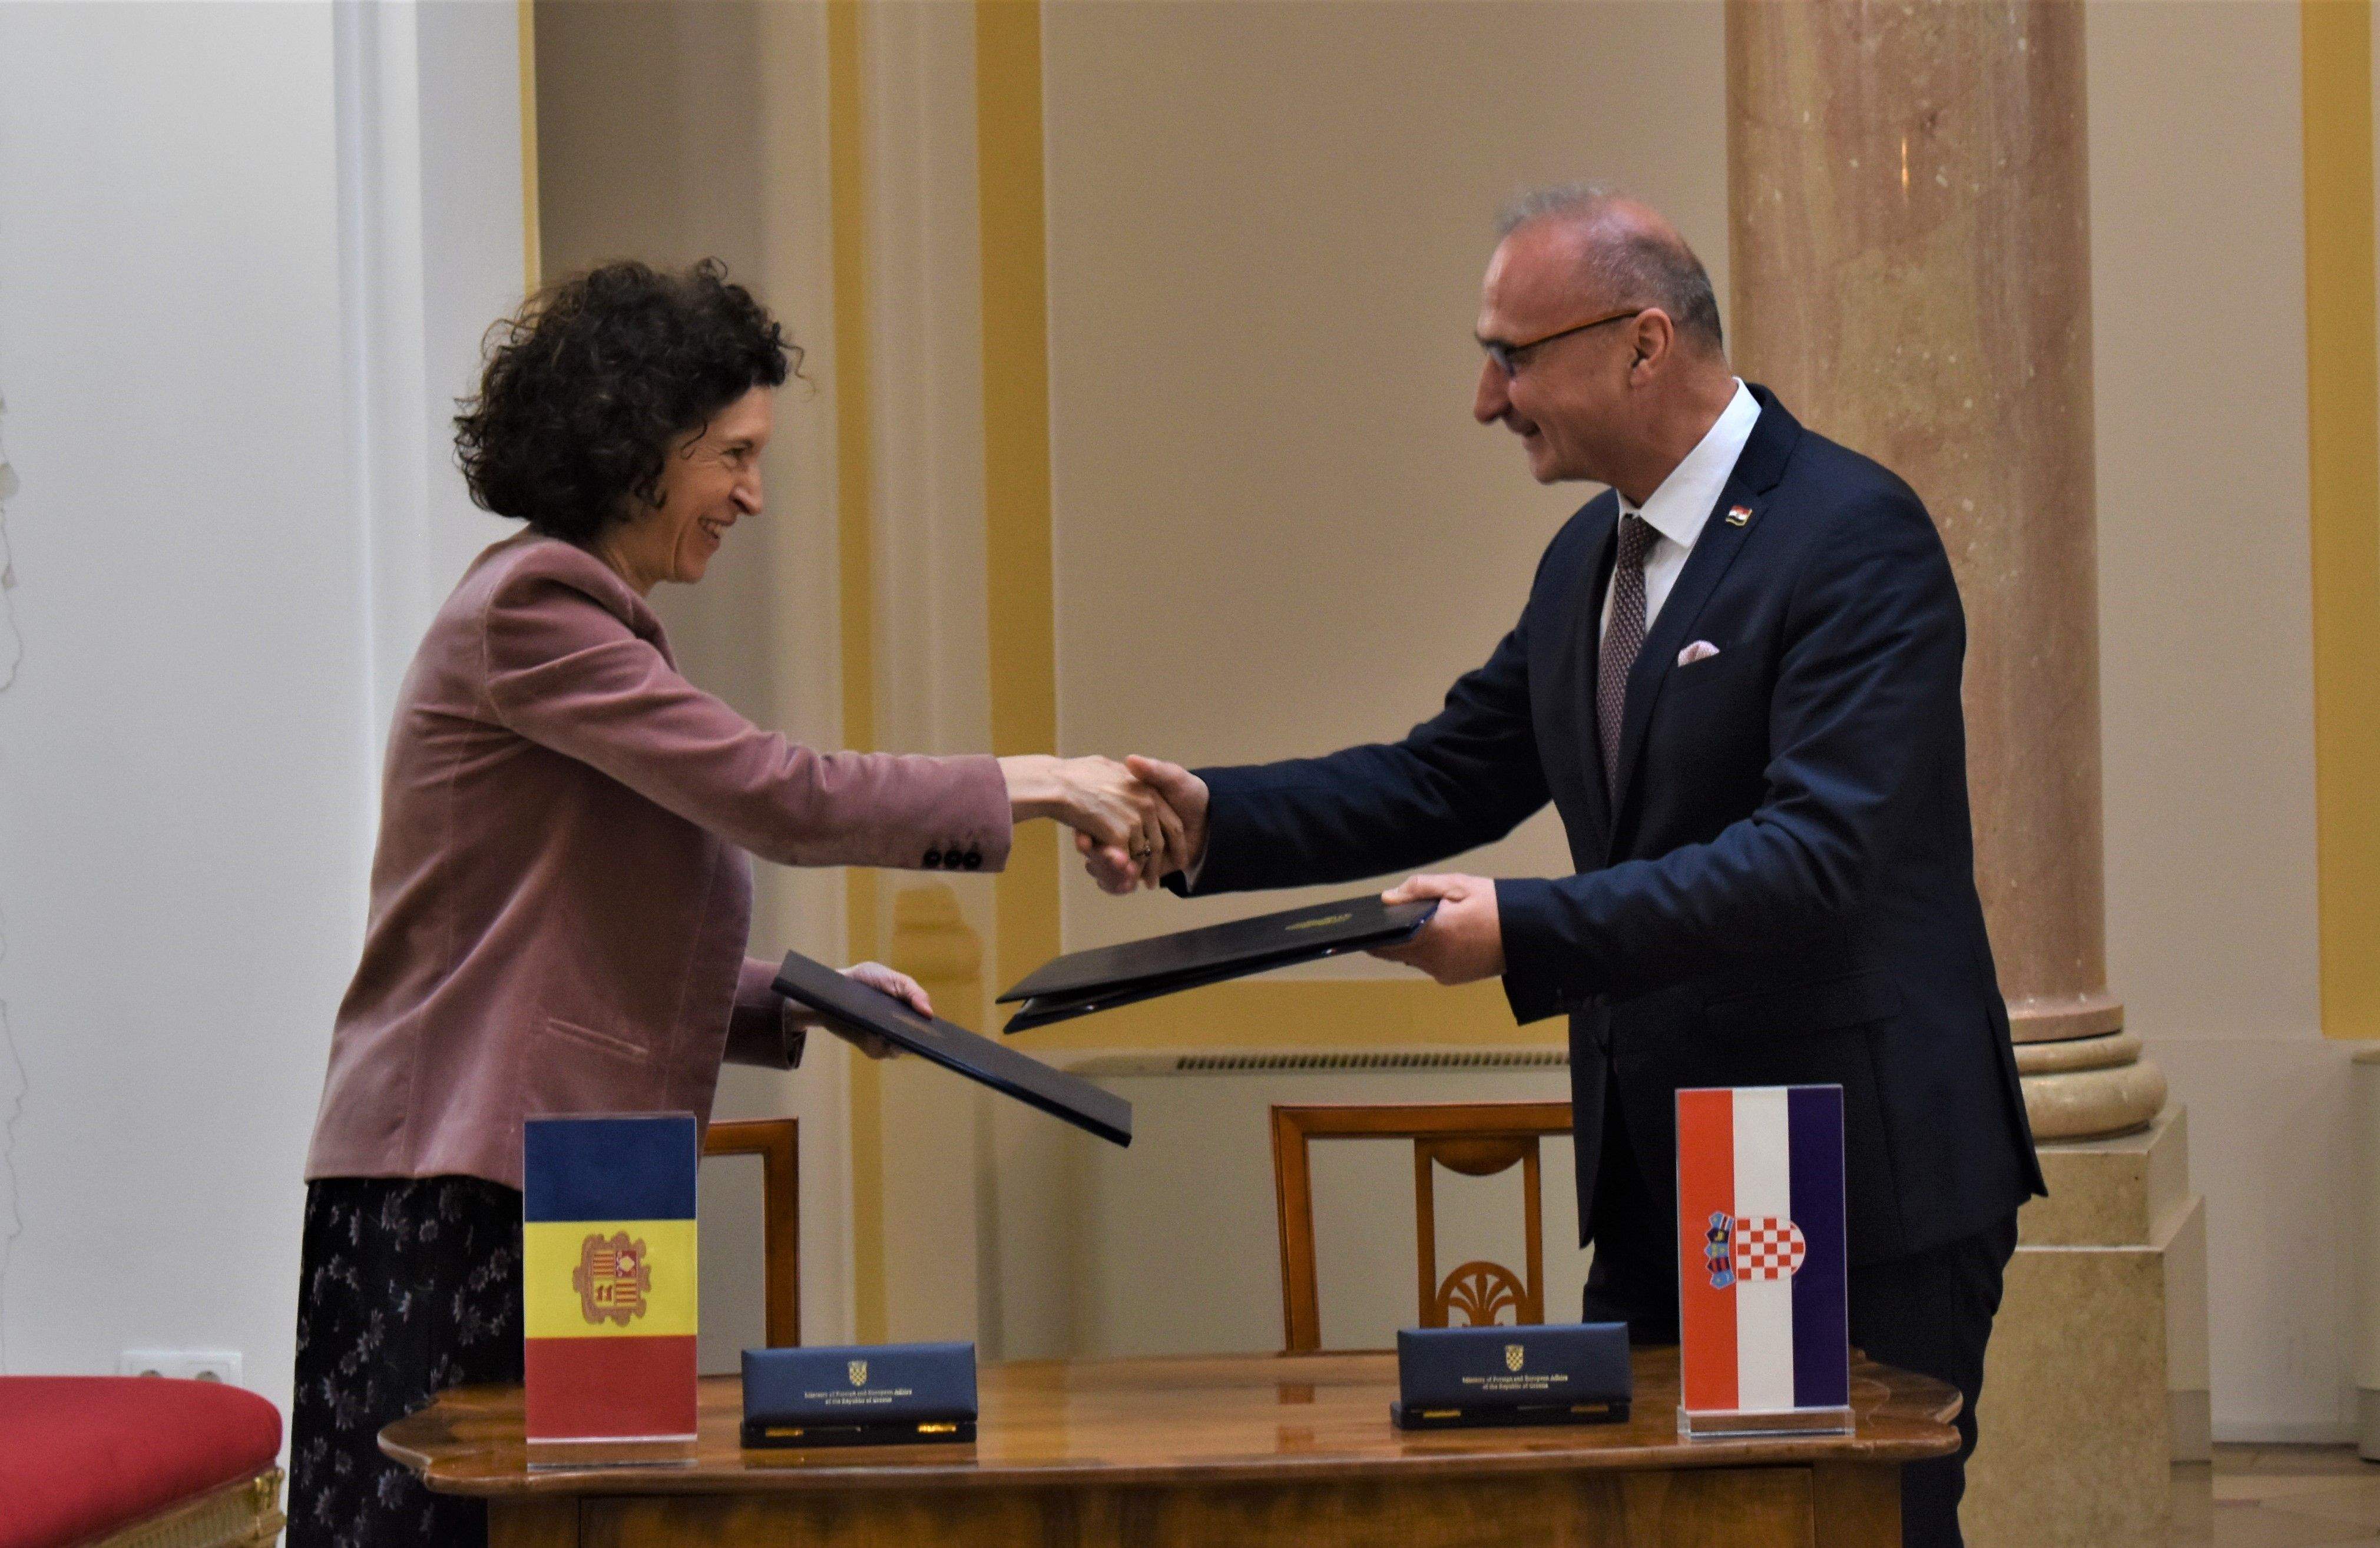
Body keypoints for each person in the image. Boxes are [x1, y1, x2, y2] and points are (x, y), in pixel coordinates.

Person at [1094, 187, 2040, 1547]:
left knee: (1835, 1532)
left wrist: (1519, 930)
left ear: (1642, 343)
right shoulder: (1584, 564)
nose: (1487, 398)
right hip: (1668, 1177)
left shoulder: (1850, 534)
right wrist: (1203, 820)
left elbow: (1812, 857)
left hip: (1851, 1182)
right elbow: (1441, 776)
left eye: (1513, 356)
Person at [290, 259, 1186, 1548]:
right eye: (733, 456)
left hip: (549, 1164)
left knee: (584, 1521)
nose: (752, 496)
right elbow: (780, 793)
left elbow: (568, 942)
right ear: (640, 447)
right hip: (459, 1178)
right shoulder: (534, 611)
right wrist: (1033, 780)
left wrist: (801, 999)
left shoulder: (578, 621)